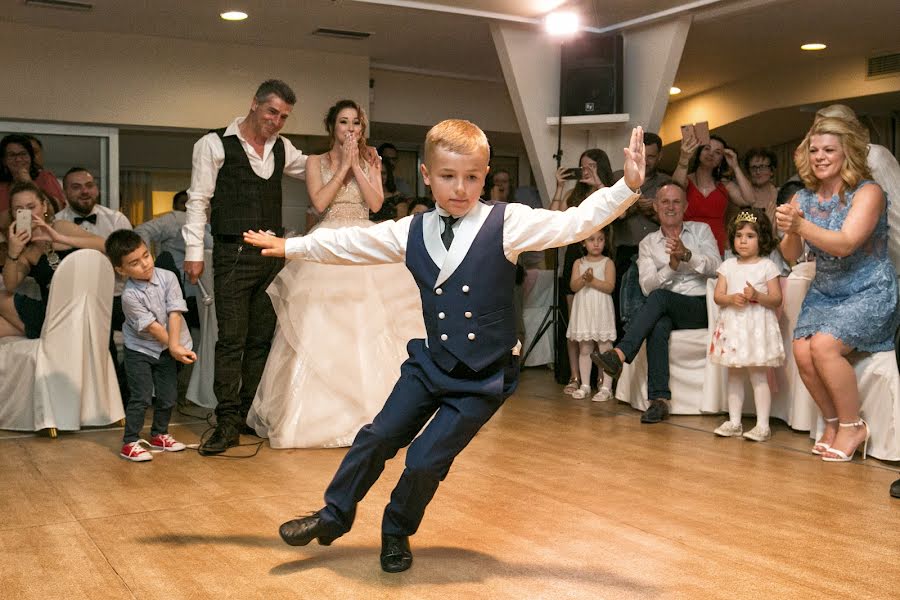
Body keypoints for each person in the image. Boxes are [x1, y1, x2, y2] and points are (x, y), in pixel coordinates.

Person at [242, 120, 645, 573]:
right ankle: (333, 515)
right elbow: (352, 241)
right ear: (427, 175)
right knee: (376, 436)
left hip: (484, 379)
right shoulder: (409, 229)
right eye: (449, 177)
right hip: (430, 364)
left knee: (423, 461)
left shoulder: (508, 222)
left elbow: (572, 223)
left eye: (472, 177)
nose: (460, 189)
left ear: (485, 174)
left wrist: (625, 187)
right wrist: (291, 246)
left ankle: (395, 531)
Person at [246, 99, 424, 448]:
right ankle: (317, 418)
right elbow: (321, 201)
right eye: (343, 123)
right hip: (327, 240)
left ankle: (378, 415)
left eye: (356, 123)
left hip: (363, 240)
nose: (350, 129)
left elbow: (375, 204)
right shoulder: (315, 162)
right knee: (321, 324)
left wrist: (358, 163)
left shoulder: (371, 160)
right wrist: (342, 164)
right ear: (332, 127)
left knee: (370, 323)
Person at [182, 80, 309, 456]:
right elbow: (197, 200)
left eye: (284, 116)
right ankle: (225, 423)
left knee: (260, 340)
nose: (277, 122)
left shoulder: (283, 148)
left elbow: (317, 168)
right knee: (231, 340)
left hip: (272, 256)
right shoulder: (214, 144)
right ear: (254, 105)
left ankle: (249, 415)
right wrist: (194, 250)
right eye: (272, 112)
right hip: (232, 253)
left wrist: (353, 150)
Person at [776, 116, 899, 462]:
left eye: (829, 149)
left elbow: (845, 244)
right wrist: (790, 230)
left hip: (869, 289)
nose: (820, 156)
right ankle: (832, 423)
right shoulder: (803, 196)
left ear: (848, 153)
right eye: (814, 150)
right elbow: (791, 255)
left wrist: (801, 224)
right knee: (802, 350)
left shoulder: (869, 192)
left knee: (824, 346)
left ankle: (853, 425)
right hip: (826, 290)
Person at [593, 184, 720, 423]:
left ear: (685, 206)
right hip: (665, 308)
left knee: (660, 299)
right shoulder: (648, 244)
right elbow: (647, 286)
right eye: (665, 202)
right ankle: (659, 401)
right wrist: (671, 266)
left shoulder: (701, 231)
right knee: (658, 323)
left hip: (700, 306)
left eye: (676, 202)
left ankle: (619, 353)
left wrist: (687, 256)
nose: (670, 207)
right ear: (655, 206)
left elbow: (717, 268)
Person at [105, 230, 196, 462]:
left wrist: (174, 346)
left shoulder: (168, 277)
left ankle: (160, 434)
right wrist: (174, 347)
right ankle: (130, 441)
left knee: (167, 396)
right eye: (134, 263)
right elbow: (154, 327)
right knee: (142, 396)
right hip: (140, 350)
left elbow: (174, 312)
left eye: (146, 255)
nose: (145, 264)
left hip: (167, 347)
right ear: (121, 270)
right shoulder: (129, 296)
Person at [710, 209, 784, 441]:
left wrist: (756, 296)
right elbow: (718, 296)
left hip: (756, 328)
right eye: (739, 235)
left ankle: (763, 425)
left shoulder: (767, 267)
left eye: (750, 236)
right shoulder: (728, 266)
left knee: (758, 375)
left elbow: (776, 299)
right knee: (733, 375)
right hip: (733, 327)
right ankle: (734, 422)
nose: (743, 240)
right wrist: (731, 298)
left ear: (761, 238)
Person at [0, 182, 105, 338]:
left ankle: (43, 333)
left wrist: (60, 238)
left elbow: (105, 245)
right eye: (19, 209)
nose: (26, 214)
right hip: (53, 312)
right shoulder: (27, 250)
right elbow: (10, 285)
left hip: (84, 307)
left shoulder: (61, 227)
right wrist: (13, 253)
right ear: (13, 214)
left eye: (31, 207)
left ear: (43, 206)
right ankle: (45, 333)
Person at [549, 149, 614, 395]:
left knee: (598, 323)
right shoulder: (573, 194)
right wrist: (559, 187)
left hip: (600, 255)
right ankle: (576, 376)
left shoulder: (608, 191)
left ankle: (601, 381)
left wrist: (599, 183)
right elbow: (553, 218)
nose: (586, 170)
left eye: (592, 166)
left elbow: (619, 211)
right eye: (583, 166)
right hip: (574, 258)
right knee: (576, 323)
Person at [565, 227, 616, 401]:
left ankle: (606, 387)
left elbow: (609, 286)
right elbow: (573, 286)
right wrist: (583, 279)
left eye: (600, 239)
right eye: (591, 239)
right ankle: (585, 384)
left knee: (605, 348)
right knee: (585, 348)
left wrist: (592, 281)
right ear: (583, 242)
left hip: (601, 308)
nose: (596, 243)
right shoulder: (578, 263)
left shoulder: (608, 262)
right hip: (585, 308)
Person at [673, 133, 743, 255]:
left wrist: (736, 167)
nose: (711, 154)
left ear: (722, 159)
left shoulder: (724, 185)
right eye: (707, 148)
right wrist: (683, 158)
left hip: (717, 245)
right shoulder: (686, 180)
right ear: (699, 152)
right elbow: (674, 190)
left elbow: (748, 200)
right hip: (686, 243)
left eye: (717, 152)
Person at [0, 134, 66, 213]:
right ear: (4, 160)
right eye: (12, 155)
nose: (18, 159)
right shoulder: (2, 186)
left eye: (23, 154)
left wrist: (29, 182)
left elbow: (58, 210)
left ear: (31, 158)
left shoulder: (44, 177)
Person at [724, 148, 778, 226]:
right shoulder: (742, 195)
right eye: (754, 168)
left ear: (771, 171)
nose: (758, 172)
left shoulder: (780, 193)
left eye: (762, 167)